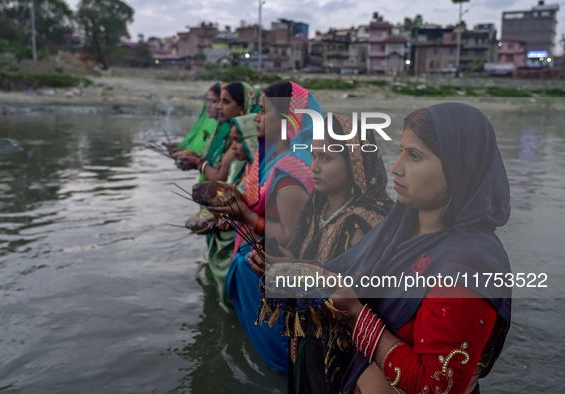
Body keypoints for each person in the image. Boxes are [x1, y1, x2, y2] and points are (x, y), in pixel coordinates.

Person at [318, 103, 511, 394]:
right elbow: (348, 269)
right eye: (402, 152)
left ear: (460, 167)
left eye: (415, 156)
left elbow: (434, 385)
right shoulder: (400, 226)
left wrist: (356, 314)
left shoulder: (469, 265)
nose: (396, 168)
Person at [248, 114, 394, 394]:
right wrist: (276, 266)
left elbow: (354, 297)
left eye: (326, 159)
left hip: (338, 356)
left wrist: (290, 273)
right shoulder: (317, 208)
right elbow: (304, 260)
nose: (314, 168)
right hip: (304, 341)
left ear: (354, 160)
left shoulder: (366, 221)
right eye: (314, 156)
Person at [208, 81, 321, 372]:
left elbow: (291, 238)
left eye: (263, 111)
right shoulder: (271, 159)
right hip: (266, 265)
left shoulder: (292, 169)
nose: (256, 118)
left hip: (280, 275)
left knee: (282, 364)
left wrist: (244, 213)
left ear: (288, 120)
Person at [199, 114, 258, 306]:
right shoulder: (242, 166)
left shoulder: (265, 177)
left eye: (239, 141)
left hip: (252, 251)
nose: (232, 147)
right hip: (239, 242)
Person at [178, 82, 258, 182]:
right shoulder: (228, 135)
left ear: (241, 107)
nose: (219, 106)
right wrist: (193, 158)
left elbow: (220, 177)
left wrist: (197, 162)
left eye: (225, 102)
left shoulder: (244, 140)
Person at [165, 83, 224, 157]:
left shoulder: (228, 133)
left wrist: (194, 160)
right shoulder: (216, 128)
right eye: (208, 100)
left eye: (213, 101)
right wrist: (182, 149)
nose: (208, 105)